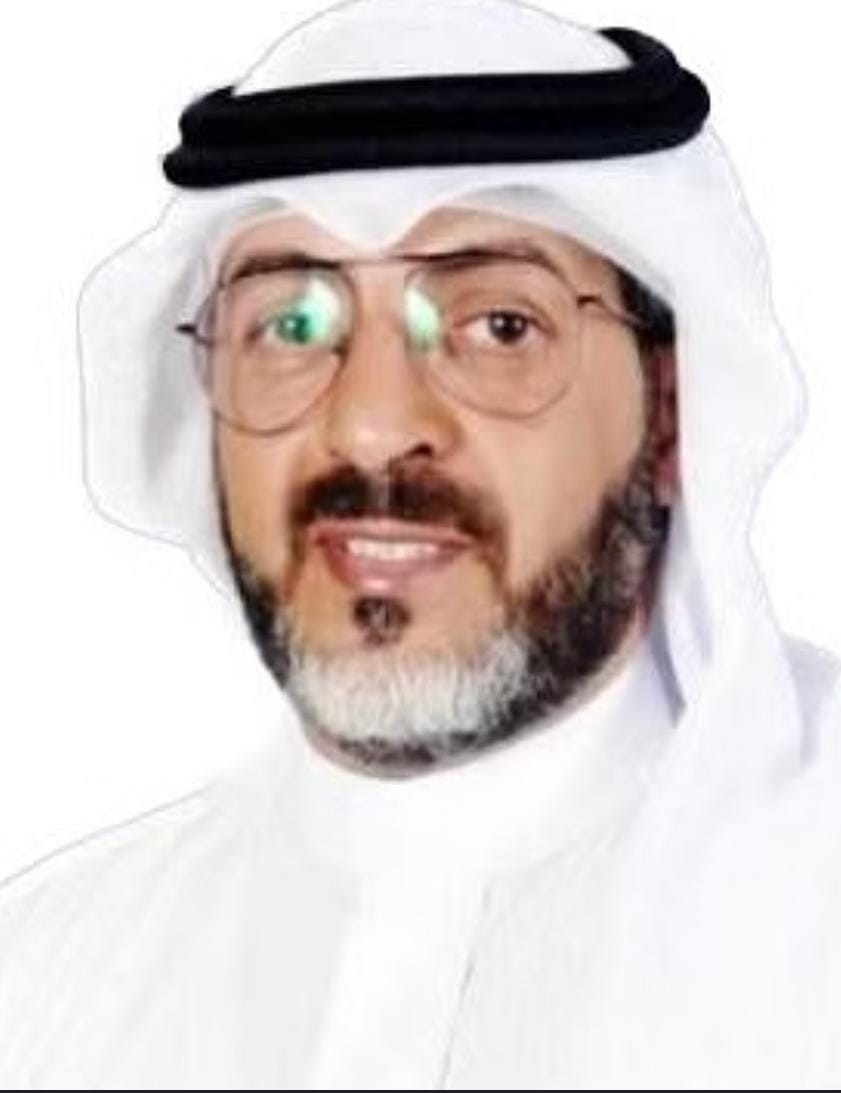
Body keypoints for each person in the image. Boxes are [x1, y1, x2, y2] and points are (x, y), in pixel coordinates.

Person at [1, 0, 841, 1087]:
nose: (370, 424)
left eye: (499, 326)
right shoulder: (49, 978)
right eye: (289, 326)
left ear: (674, 411)